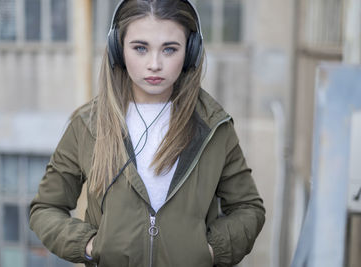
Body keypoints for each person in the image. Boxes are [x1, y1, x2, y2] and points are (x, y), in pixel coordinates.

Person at [29, 0, 265, 266]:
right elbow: (45, 208)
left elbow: (248, 209)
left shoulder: (213, 127)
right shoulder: (88, 126)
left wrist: (208, 250)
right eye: (140, 48)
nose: (155, 64)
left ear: (191, 52)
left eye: (170, 49)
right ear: (118, 49)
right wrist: (90, 245)